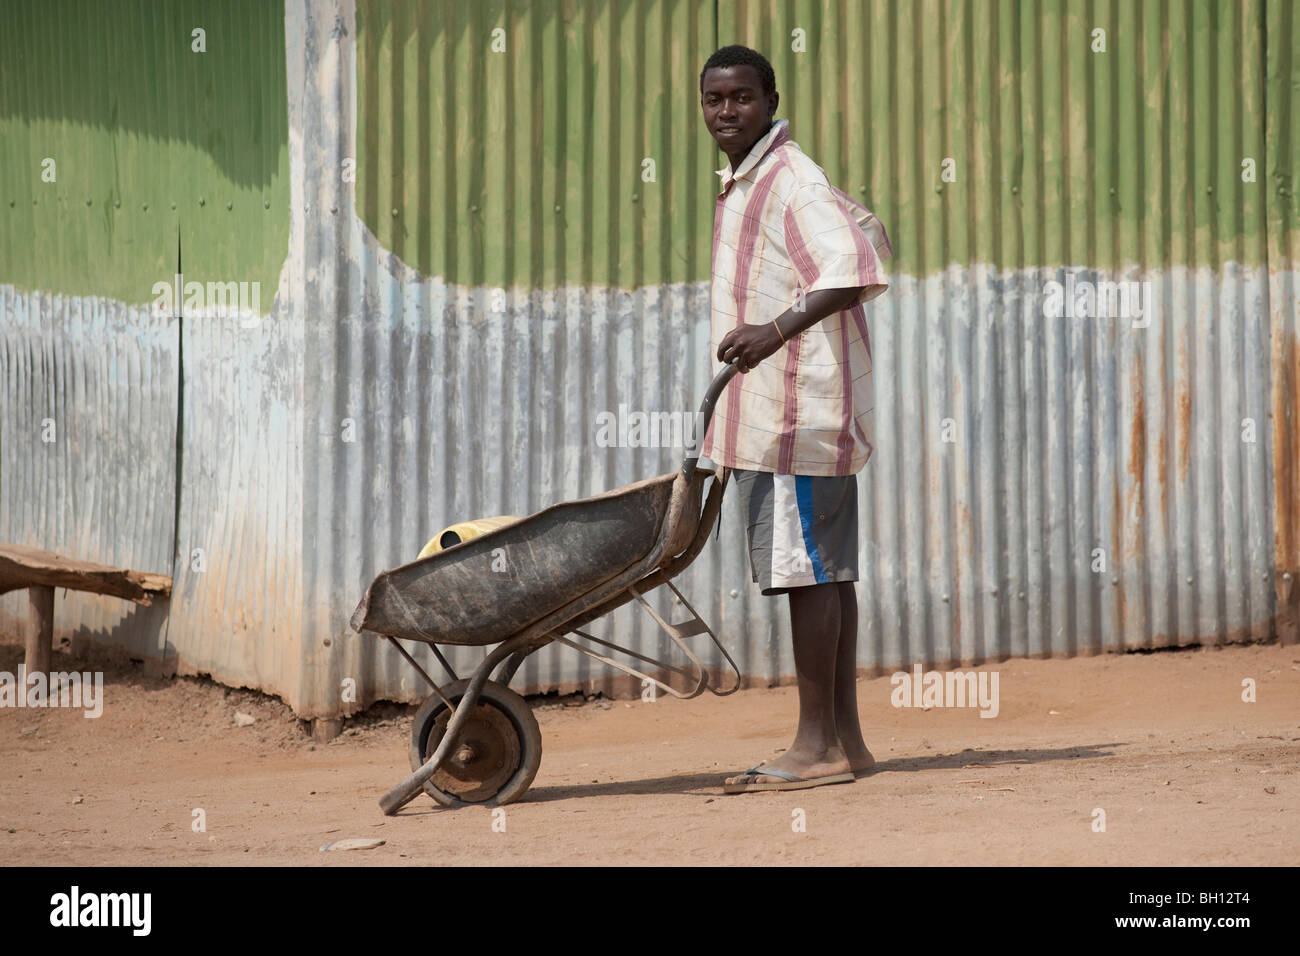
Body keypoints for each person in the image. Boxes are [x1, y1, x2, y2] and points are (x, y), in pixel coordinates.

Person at [697, 45, 892, 793]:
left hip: (795, 414)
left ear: (772, 99)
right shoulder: (752, 178)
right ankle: (845, 742)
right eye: (714, 99)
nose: (725, 112)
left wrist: (771, 331)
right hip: (788, 412)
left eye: (741, 98)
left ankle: (816, 748)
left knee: (807, 573)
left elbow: (850, 269)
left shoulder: (790, 180)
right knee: (825, 574)